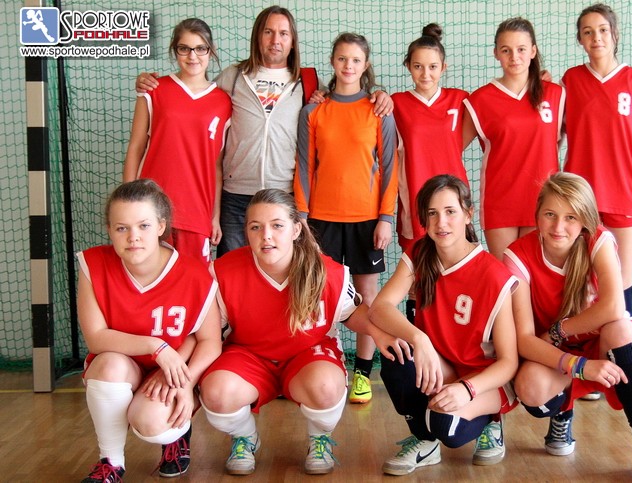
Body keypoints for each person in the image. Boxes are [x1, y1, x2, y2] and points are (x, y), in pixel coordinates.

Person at [137, 6, 393, 256]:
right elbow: (194, 94)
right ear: (257, 36)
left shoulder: (308, 81)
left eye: (283, 33)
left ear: (293, 40)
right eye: (268, 32)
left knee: (278, 272)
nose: (275, 40)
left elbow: (344, 99)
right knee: (233, 272)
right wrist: (152, 83)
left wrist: (379, 95)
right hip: (235, 196)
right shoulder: (233, 76)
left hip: (283, 195)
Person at [199, 189, 405, 476]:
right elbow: (207, 334)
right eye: (255, 227)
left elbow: (350, 312)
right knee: (216, 392)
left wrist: (378, 332)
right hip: (249, 355)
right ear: (246, 232)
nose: (266, 236)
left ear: (296, 229)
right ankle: (245, 437)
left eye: (277, 225)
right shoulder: (223, 271)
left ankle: (320, 438)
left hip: (308, 355)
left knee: (325, 387)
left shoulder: (327, 271)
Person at [503, 172, 632, 483]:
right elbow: (525, 340)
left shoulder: (598, 240)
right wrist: (578, 365)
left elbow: (614, 308)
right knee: (529, 387)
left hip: (599, 345)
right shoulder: (517, 255)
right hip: (558, 356)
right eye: (550, 214)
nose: (558, 227)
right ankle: (563, 411)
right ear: (537, 214)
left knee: (622, 330)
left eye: (570, 217)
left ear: (585, 219)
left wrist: (558, 330)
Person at [369, 175, 519, 476]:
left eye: (450, 211)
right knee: (397, 356)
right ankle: (425, 443)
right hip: (443, 365)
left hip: (485, 379)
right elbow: (379, 308)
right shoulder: (420, 253)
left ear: (468, 214)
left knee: (445, 426)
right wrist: (419, 339)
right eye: (432, 213)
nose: (441, 223)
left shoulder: (494, 274)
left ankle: (491, 422)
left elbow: (508, 363)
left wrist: (467, 389)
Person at [77, 179, 222, 482]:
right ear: (109, 230)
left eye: (143, 226)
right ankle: (111, 462)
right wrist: (156, 347)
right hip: (126, 363)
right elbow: (96, 338)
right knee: (107, 366)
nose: (133, 237)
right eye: (122, 228)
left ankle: (176, 437)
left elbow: (210, 340)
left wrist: (185, 381)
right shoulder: (94, 264)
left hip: (173, 369)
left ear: (160, 226)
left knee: (151, 422)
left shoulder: (194, 273)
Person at [294, 32, 398, 406]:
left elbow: (390, 168)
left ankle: (362, 374)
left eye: (355, 60)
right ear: (333, 62)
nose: (348, 66)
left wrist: (386, 217)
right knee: (321, 296)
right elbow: (304, 167)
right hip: (321, 220)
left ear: (365, 65)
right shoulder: (313, 111)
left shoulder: (379, 110)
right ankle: (328, 364)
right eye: (342, 59)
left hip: (366, 220)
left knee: (367, 297)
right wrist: (301, 217)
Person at [561, 3, 632, 317]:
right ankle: (583, 342)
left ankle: (624, 341)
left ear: (615, 34)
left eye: (603, 30)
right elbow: (553, 133)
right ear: (580, 39)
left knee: (620, 277)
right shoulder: (570, 81)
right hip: (581, 196)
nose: (597, 38)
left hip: (625, 191)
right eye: (588, 32)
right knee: (581, 278)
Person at [124, 18, 232, 264]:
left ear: (211, 51)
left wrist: (214, 216)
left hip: (197, 213)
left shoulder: (224, 102)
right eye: (184, 48)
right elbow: (136, 147)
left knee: (194, 281)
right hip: (151, 208)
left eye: (200, 48)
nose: (193, 56)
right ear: (175, 50)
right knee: (151, 279)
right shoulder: (153, 89)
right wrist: (127, 202)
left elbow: (216, 165)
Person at [462, 17, 563, 261]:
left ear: (533, 51)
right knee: (506, 278)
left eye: (521, 49)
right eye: (506, 50)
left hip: (544, 201)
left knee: (537, 276)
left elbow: (586, 134)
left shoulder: (556, 94)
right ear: (496, 53)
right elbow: (450, 149)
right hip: (500, 202)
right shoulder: (480, 100)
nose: (514, 57)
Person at [391, 23, 469, 324]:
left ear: (443, 67)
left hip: (453, 205)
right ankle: (417, 339)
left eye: (433, 67)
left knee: (455, 274)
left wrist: (538, 78)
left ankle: (451, 339)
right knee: (418, 278)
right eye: (418, 66)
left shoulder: (461, 100)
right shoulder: (396, 104)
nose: (426, 74)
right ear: (408, 67)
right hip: (416, 203)